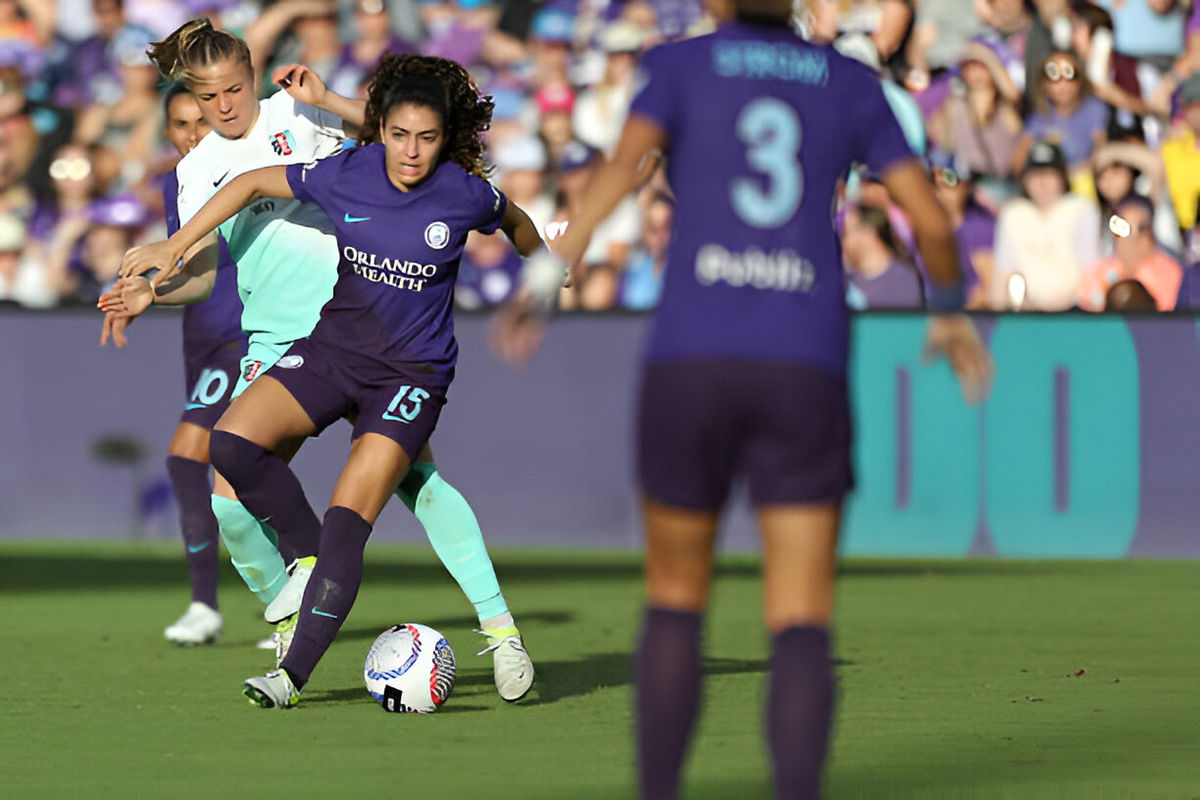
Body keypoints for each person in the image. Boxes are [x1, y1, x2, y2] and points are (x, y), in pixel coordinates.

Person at [493, 0, 993, 796]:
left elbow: (622, 170)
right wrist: (949, 310)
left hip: (693, 353)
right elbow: (930, 219)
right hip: (805, 359)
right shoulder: (850, 81)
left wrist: (547, 278)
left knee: (675, 602)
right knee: (800, 617)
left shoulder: (678, 66)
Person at [100, 20, 535, 701]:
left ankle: (500, 630)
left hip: (360, 323)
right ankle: (290, 601)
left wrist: (331, 99)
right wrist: (148, 291)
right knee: (231, 503)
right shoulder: (195, 172)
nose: (223, 106)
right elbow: (202, 276)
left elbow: (407, 140)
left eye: (234, 89)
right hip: (278, 339)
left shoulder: (296, 112)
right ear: (190, 93)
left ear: (254, 71)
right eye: (207, 97)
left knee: (417, 483)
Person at [142, 84, 285, 646]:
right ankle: (288, 595)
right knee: (240, 475)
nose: (191, 134)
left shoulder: (244, 174)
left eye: (198, 121)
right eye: (179, 125)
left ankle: (210, 604)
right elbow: (192, 269)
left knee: (187, 458)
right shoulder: (175, 184)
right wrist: (143, 292)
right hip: (199, 337)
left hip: (238, 337)